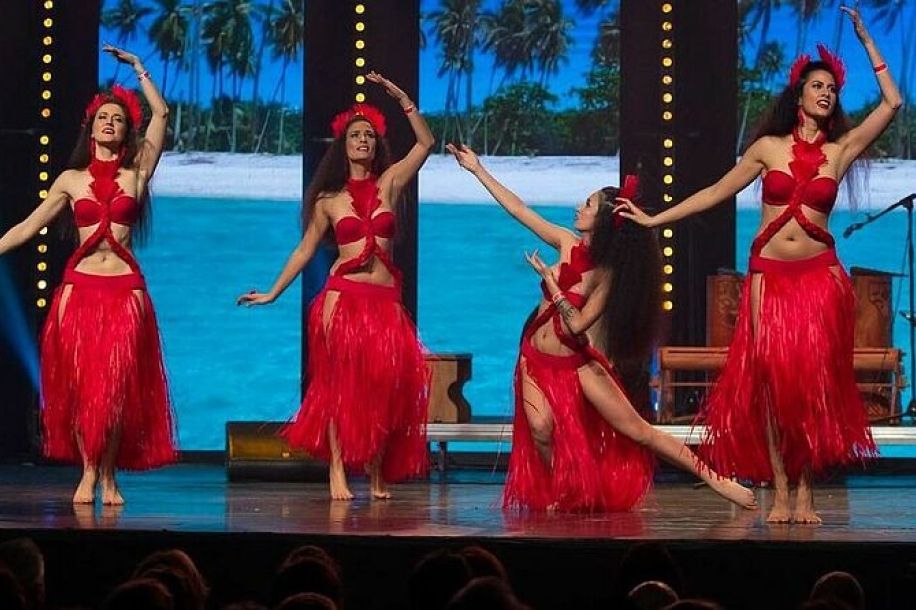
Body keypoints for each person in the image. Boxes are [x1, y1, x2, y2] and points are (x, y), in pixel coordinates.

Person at [615, 6, 901, 523]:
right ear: (798, 95)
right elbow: (715, 191)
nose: (825, 93)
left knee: (809, 389)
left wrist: (866, 40)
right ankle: (782, 489)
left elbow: (893, 102)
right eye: (817, 85)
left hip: (820, 280)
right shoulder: (767, 148)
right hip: (768, 277)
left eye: (831, 89)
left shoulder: (841, 151)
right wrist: (655, 220)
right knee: (770, 386)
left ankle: (809, 492)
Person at [448, 145, 757, 512]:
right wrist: (477, 169)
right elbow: (518, 209)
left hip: (577, 363)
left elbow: (578, 324)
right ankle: (559, 492)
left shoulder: (605, 275)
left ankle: (717, 479)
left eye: (589, 204)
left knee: (638, 429)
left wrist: (553, 284)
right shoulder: (565, 241)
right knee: (541, 428)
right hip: (534, 358)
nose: (580, 208)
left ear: (605, 221)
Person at [238, 72, 434, 500]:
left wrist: (401, 97)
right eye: (354, 135)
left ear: (376, 145)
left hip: (384, 302)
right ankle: (339, 472)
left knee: (384, 388)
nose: (362, 140)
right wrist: (273, 293)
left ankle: (378, 472)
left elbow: (426, 144)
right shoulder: (329, 200)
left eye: (368, 135)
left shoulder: (392, 183)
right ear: (343, 145)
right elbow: (304, 252)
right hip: (341, 300)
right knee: (338, 388)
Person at [0, 45, 175, 505]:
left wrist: (138, 69)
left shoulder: (136, 174)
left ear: (125, 130)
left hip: (125, 289)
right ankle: (88, 470)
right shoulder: (69, 180)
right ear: (91, 127)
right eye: (104, 118)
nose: (110, 123)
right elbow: (27, 226)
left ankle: (110, 475)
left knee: (115, 387)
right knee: (82, 388)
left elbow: (162, 113)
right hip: (78, 290)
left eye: (118, 119)